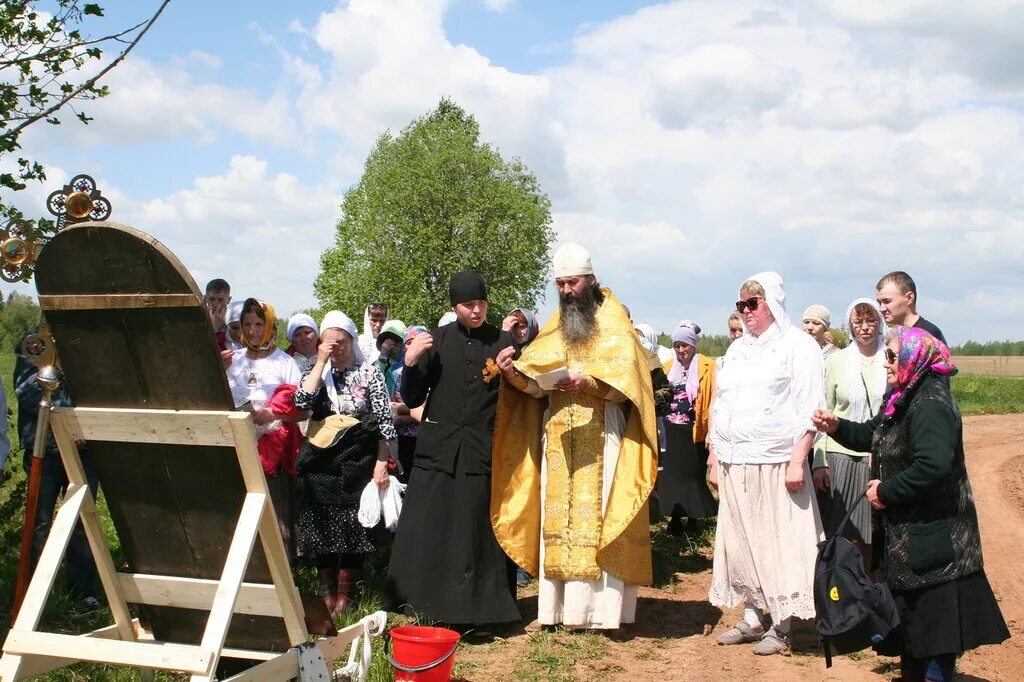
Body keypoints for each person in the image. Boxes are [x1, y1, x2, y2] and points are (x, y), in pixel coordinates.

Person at [812, 328, 1008, 681]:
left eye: (891, 355)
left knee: (935, 639)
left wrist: (885, 492)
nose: (886, 363)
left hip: (936, 547)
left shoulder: (930, 402)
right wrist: (837, 426)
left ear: (914, 357)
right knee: (915, 638)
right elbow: (873, 434)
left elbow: (933, 466)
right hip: (913, 544)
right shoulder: (904, 396)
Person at [493, 242, 658, 631]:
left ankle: (601, 613)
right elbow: (536, 386)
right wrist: (512, 373)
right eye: (561, 284)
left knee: (598, 517)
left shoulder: (615, 323)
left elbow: (631, 387)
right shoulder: (555, 326)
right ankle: (555, 611)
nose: (567, 291)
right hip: (560, 436)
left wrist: (593, 383)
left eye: (573, 283)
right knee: (558, 520)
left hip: (604, 434)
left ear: (591, 280)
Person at [385, 272, 520, 630]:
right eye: (468, 305)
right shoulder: (437, 341)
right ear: (454, 307)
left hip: (481, 450)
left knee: (475, 533)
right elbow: (412, 399)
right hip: (438, 453)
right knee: (434, 528)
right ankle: (425, 605)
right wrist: (411, 362)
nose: (476, 311)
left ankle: (482, 614)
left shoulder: (504, 342)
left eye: (482, 304)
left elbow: (520, 400)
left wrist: (512, 376)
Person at [707, 272, 824, 655]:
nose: (745, 312)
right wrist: (714, 454)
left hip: (777, 463)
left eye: (752, 304)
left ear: (772, 304)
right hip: (735, 461)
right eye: (740, 305)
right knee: (743, 543)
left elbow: (811, 409)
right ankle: (755, 617)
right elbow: (720, 403)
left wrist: (798, 460)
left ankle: (785, 623)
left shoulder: (798, 346)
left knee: (780, 544)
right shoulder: (738, 350)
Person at [294, 311, 396, 616]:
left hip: (357, 459)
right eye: (329, 343)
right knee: (322, 528)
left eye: (340, 342)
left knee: (352, 529)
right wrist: (321, 363)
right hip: (320, 463)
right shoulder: (315, 371)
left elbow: (384, 422)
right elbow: (301, 403)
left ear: (352, 340)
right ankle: (327, 594)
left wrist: (381, 462)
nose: (335, 347)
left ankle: (345, 596)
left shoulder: (369, 374)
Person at [14, 329, 100, 607]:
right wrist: (63, 421)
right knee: (39, 521)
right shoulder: (35, 342)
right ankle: (31, 593)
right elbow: (24, 391)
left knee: (82, 521)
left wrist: (81, 426)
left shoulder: (90, 340)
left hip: (83, 449)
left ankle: (83, 592)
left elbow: (100, 388)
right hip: (44, 446)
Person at [225, 299, 305, 560]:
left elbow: (302, 411)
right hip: (237, 443)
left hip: (273, 448)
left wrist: (271, 413)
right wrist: (219, 371)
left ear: (270, 326)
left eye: (259, 324)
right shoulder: (233, 360)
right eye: (247, 324)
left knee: (272, 508)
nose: (252, 330)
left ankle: (276, 565)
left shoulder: (285, 363)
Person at [812, 299, 886, 569]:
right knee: (841, 532)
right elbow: (823, 413)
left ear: (880, 324)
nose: (865, 328)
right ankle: (840, 593)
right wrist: (819, 461)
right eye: (858, 322)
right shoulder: (836, 362)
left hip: (877, 458)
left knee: (873, 535)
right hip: (840, 457)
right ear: (850, 326)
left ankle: (870, 592)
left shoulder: (889, 359)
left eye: (871, 321)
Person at [660, 321, 718, 535]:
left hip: (694, 429)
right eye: (677, 345)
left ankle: (694, 520)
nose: (681, 350)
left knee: (693, 476)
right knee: (673, 476)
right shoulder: (668, 367)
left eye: (685, 345)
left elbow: (713, 396)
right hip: (671, 429)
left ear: (693, 345)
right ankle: (675, 519)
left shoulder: (707, 366)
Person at [391, 325, 428, 482]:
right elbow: (390, 404)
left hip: (427, 437)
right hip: (402, 438)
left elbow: (432, 405)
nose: (413, 346)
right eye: (409, 342)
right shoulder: (396, 371)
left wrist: (402, 414)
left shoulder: (434, 369)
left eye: (419, 341)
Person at [875, 271, 946, 344]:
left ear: (909, 298)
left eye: (887, 301)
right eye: (879, 302)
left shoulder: (929, 335)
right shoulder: (886, 336)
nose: (881, 308)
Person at [374, 319, 407, 398]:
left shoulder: (410, 364)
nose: (391, 344)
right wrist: (383, 356)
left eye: (396, 340)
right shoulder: (380, 364)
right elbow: (374, 380)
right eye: (387, 340)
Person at [205, 278, 231, 350]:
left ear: (228, 300)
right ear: (205, 298)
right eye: (212, 299)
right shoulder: (199, 320)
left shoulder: (233, 322)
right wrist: (213, 326)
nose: (216, 304)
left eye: (220, 300)